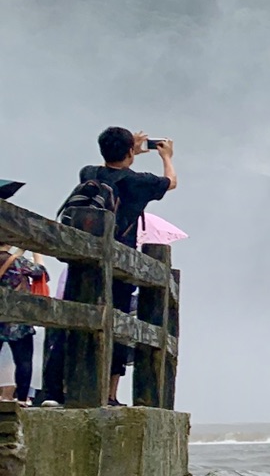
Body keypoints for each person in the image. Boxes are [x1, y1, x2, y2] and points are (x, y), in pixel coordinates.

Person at [45, 129, 178, 407]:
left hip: (84, 263)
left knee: (75, 320)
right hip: (120, 266)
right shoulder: (138, 182)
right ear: (129, 152)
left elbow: (111, 170)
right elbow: (170, 182)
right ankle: (108, 394)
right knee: (117, 325)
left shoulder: (88, 173)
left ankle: (57, 392)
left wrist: (131, 150)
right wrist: (166, 156)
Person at [0, 244, 45, 402]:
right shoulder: (18, 262)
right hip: (16, 318)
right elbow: (40, 272)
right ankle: (22, 399)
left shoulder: (13, 259)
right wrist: (37, 252)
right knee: (23, 361)